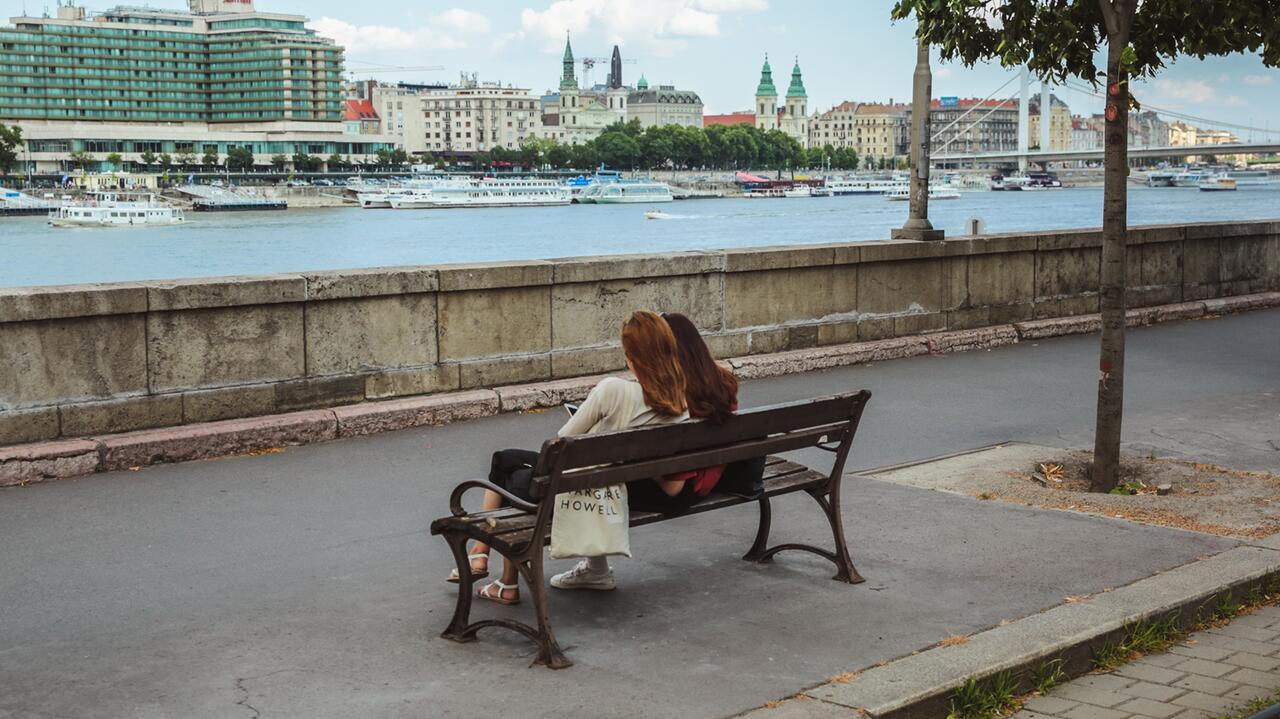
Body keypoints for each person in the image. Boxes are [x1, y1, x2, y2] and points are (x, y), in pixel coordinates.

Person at [449, 310, 688, 604]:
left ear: (633, 355)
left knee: (507, 475)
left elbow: (560, 443)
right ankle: (489, 563)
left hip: (572, 489)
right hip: (622, 486)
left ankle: (492, 568)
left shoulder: (613, 390)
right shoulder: (681, 401)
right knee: (505, 458)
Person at [626, 312, 740, 515]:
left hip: (677, 492)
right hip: (710, 480)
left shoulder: (673, 398)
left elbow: (673, 487)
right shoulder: (723, 382)